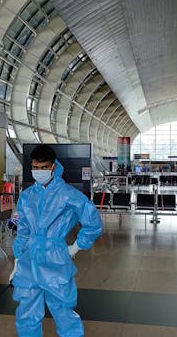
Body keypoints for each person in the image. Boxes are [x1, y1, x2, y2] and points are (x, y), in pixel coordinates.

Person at [9, 144, 103, 337]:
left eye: (44, 167)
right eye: (36, 167)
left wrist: (76, 246)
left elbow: (92, 222)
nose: (39, 171)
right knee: (26, 313)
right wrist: (17, 260)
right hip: (29, 260)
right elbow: (24, 231)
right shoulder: (27, 196)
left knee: (63, 312)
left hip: (55, 259)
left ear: (53, 167)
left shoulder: (67, 194)